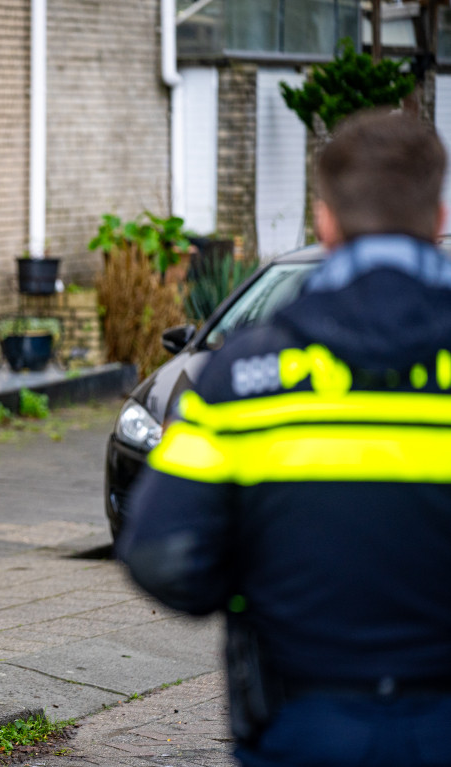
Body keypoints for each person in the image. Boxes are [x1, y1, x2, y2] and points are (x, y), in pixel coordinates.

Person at [117, 108, 451, 767]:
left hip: (302, 717)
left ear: (325, 220)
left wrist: (261, 589)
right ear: (438, 216)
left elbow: (160, 553)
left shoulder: (242, 373)